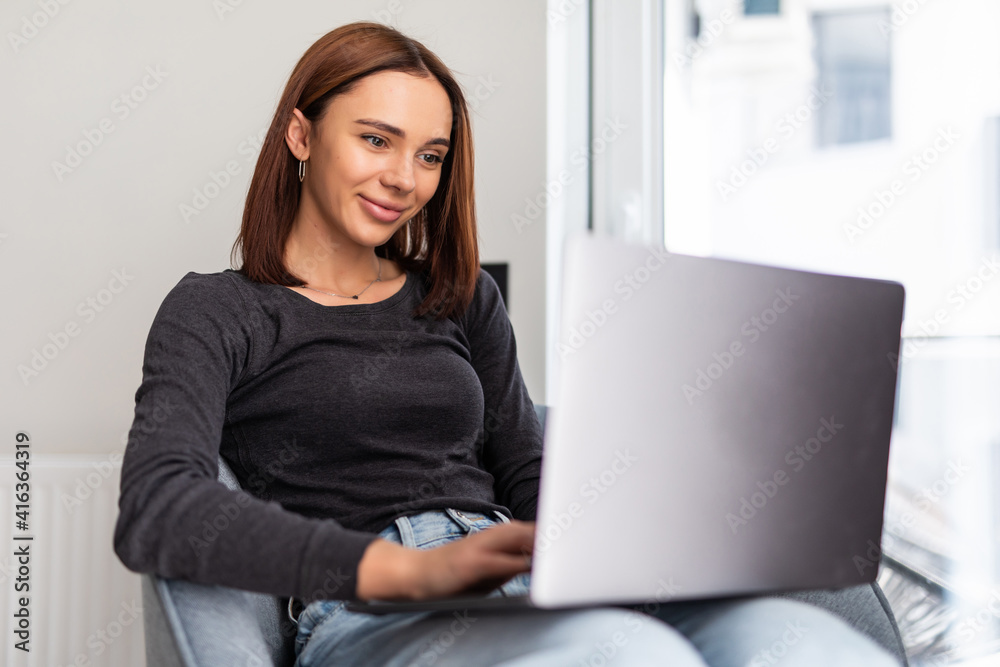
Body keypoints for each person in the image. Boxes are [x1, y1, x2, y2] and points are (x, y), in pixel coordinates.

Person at [113, 21, 900, 666]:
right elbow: (157, 506)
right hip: (373, 609)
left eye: (430, 155)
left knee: (806, 647)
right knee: (629, 656)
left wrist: (637, 535)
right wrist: (410, 569)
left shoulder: (459, 297)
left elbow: (525, 463)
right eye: (377, 140)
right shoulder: (216, 310)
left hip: (519, 577)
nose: (405, 178)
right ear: (301, 134)